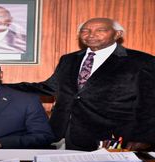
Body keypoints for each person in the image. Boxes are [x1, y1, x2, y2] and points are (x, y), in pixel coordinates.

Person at [8, 18, 155, 151]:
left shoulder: (141, 61)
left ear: (117, 34)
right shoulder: (69, 59)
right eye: (85, 30)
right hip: (67, 134)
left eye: (100, 30)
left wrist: (144, 137)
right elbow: (49, 88)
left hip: (114, 137)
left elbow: (150, 103)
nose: (91, 34)